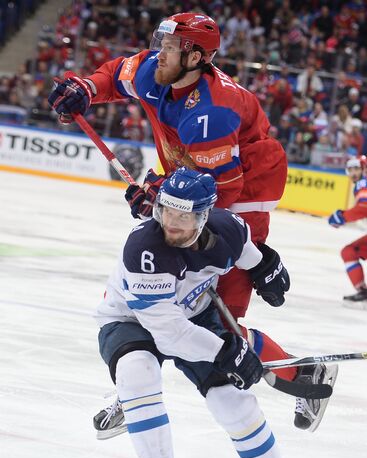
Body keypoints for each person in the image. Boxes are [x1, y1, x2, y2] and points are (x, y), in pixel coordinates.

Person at [48, 12, 333, 433]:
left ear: (196, 57)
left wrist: (162, 195)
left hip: (242, 198)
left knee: (221, 320)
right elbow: (115, 75)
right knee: (158, 286)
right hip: (192, 183)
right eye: (160, 44)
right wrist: (86, 89)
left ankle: (306, 376)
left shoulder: (213, 113)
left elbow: (221, 194)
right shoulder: (155, 70)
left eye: (168, 48)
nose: (156, 54)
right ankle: (138, 384)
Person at [94, 166, 310, 458]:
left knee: (232, 401)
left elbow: (248, 256)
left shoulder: (229, 228)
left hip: (193, 317)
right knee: (138, 371)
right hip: (130, 320)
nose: (171, 224)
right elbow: (169, 334)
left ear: (205, 216)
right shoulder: (145, 249)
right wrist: (227, 350)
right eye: (166, 212)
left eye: (183, 216)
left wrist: (266, 269)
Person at [328, 156, 367, 305]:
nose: (354, 173)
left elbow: (364, 207)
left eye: (357, 168)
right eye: (351, 169)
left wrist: (342, 217)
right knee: (349, 252)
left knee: (349, 252)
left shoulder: (362, 183)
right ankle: (363, 292)